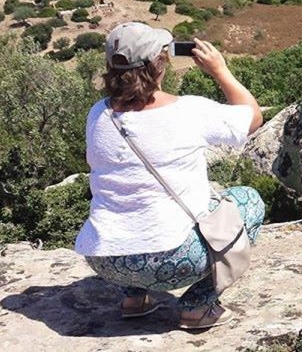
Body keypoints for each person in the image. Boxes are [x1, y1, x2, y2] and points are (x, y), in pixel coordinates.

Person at [74, 22, 265, 330]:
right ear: (159, 64)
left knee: (131, 205)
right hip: (172, 261)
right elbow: (253, 117)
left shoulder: (98, 113)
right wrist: (220, 71)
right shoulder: (187, 110)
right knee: (249, 201)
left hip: (105, 260)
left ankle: (134, 299)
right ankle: (197, 306)